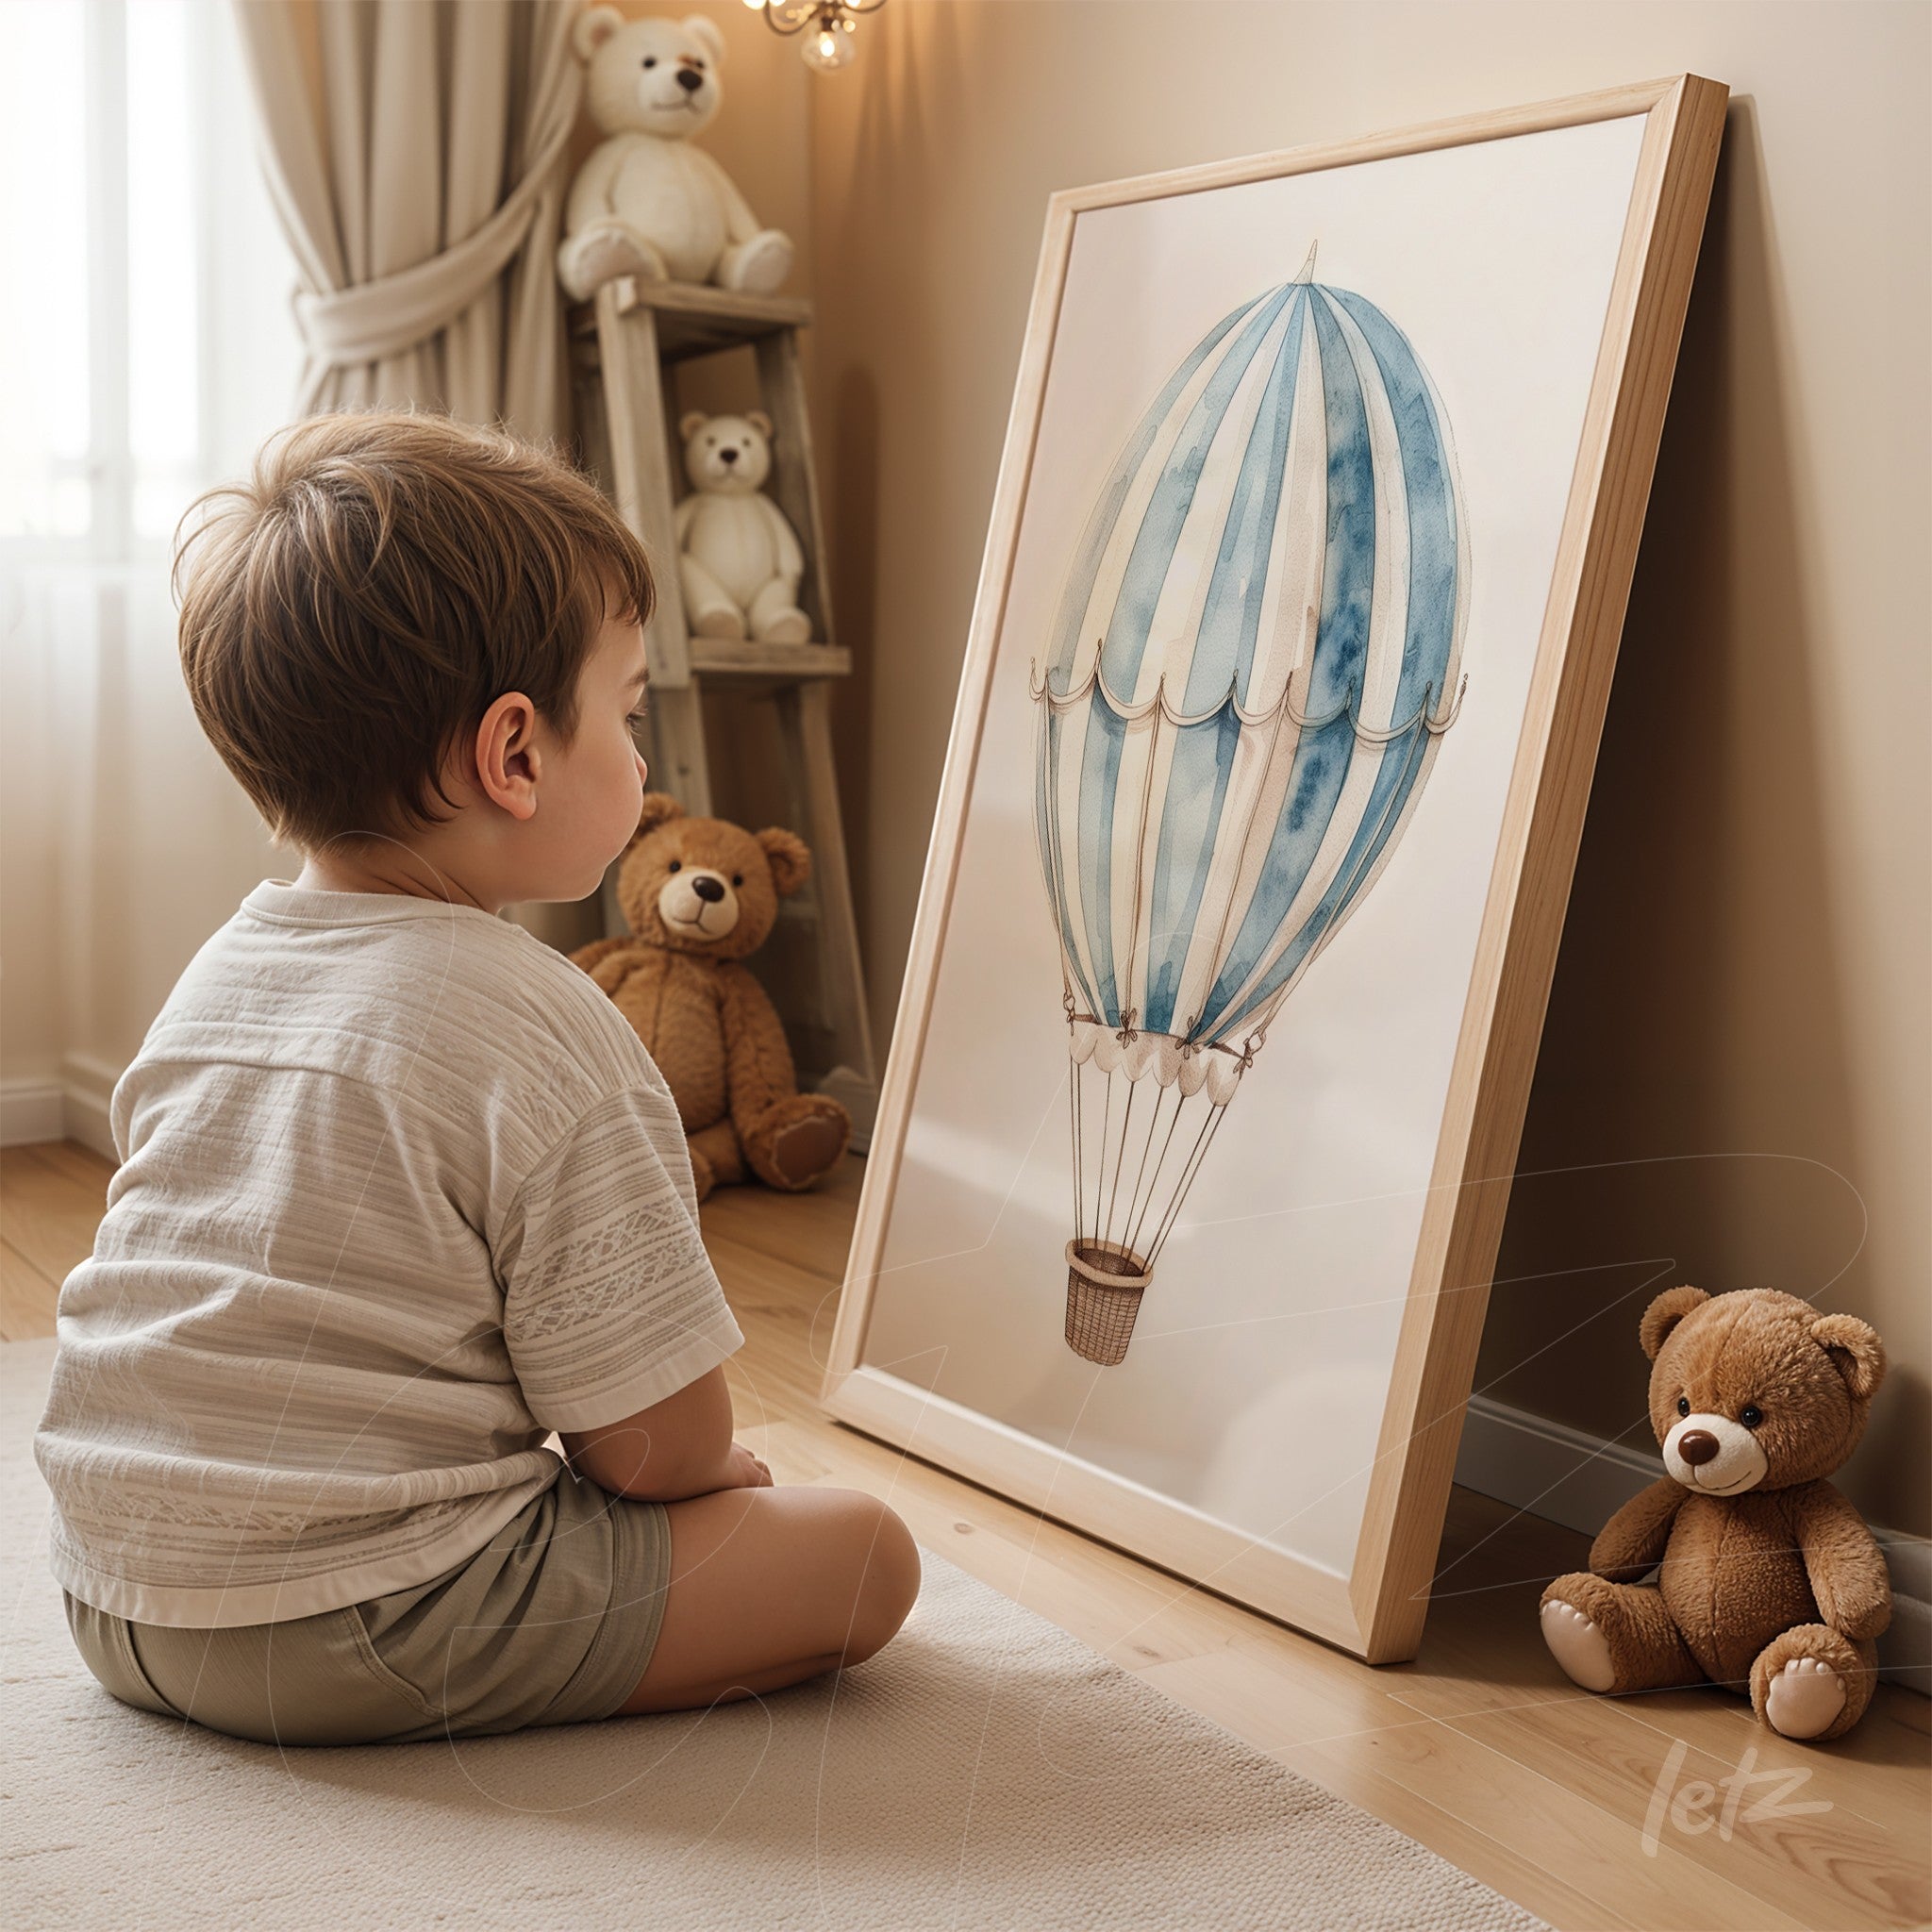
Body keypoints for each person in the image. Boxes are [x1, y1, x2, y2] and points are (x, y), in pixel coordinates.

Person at [32, 408, 920, 1746]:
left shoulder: (221, 973)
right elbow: (649, 1450)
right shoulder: (543, 1023)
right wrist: (717, 1479)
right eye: (626, 717)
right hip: (347, 1618)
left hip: (113, 1594)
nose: (642, 762)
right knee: (865, 1553)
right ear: (513, 757)